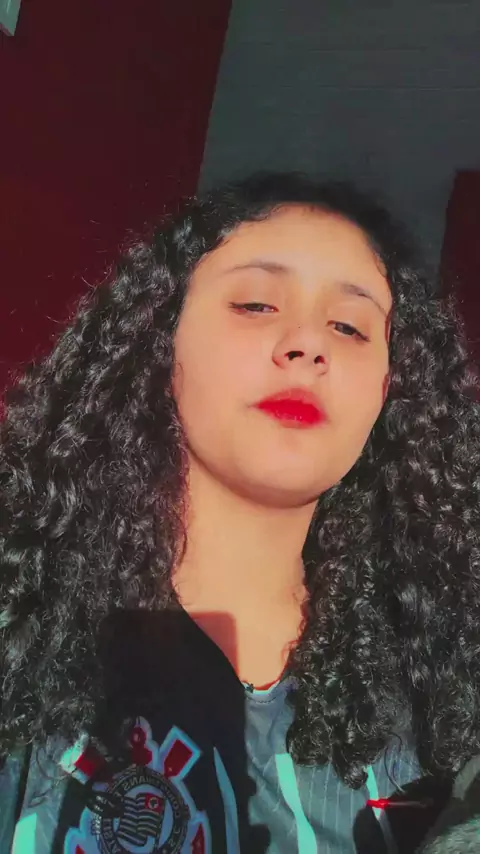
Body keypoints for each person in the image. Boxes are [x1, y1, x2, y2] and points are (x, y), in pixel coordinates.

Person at [1, 172, 480, 854]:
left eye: (349, 326)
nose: (307, 344)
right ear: (158, 339)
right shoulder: (20, 625)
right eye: (256, 304)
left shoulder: (446, 691)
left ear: (390, 391)